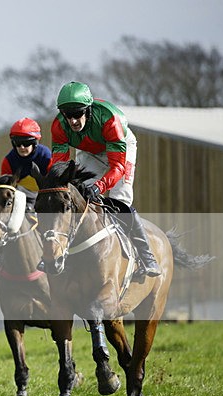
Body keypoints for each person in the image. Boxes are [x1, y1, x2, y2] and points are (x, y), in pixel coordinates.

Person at [50, 81, 161, 277]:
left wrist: (100, 187)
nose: (73, 121)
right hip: (89, 152)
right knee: (79, 199)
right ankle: (64, 253)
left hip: (120, 148)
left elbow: (117, 167)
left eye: (78, 113)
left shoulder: (109, 120)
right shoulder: (59, 126)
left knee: (120, 200)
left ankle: (147, 257)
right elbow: (59, 166)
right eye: (68, 115)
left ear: (88, 109)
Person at [0, 117, 51, 210]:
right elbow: (6, 191)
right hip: (21, 199)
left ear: (34, 142)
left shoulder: (46, 156)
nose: (22, 147)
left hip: (45, 196)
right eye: (18, 143)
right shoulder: (8, 161)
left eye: (26, 143)